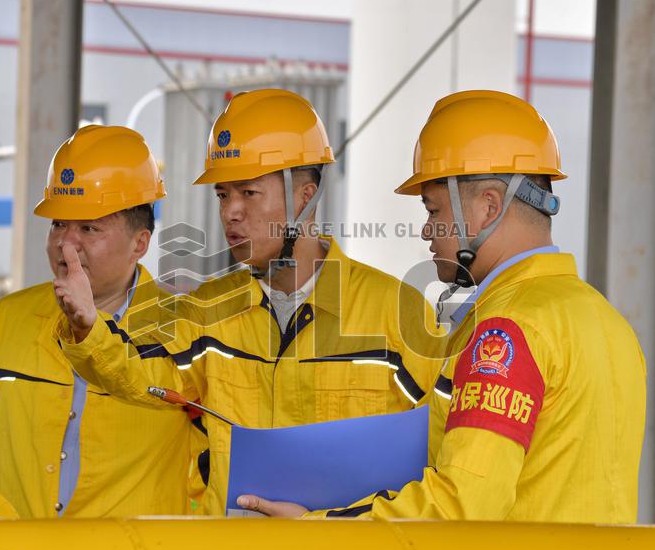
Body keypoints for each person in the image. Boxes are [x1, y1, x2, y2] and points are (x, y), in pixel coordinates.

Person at [238, 90, 647, 522]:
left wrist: (319, 526)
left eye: (434, 210)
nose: (428, 231)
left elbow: (461, 503)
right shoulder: (605, 319)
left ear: (488, 208)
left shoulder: (505, 330)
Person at [54, 89, 444, 516]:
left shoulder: (397, 315)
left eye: (249, 193)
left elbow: (441, 453)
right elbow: (136, 375)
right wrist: (88, 326)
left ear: (305, 195)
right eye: (223, 195)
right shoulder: (206, 312)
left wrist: (341, 525)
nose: (231, 212)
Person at [0, 125, 193, 518]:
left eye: (89, 228)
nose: (65, 244)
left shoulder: (185, 332)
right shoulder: (11, 318)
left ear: (139, 244)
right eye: (59, 224)